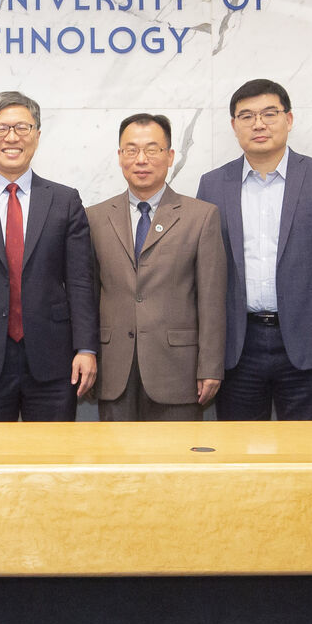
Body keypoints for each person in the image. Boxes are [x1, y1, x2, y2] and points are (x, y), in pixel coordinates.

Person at [194, 78, 312, 421]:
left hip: (309, 344)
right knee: (239, 456)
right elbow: (204, 273)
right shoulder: (212, 184)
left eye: (269, 113)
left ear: (289, 119)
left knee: (308, 456)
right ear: (233, 125)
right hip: (239, 345)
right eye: (247, 116)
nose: (258, 124)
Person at [0, 90, 97, 421]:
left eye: (22, 128)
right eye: (1, 129)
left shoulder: (65, 201)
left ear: (37, 136)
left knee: (54, 462)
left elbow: (82, 282)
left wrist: (86, 348)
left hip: (55, 361)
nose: (12, 137)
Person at [87, 113, 226, 421]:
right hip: (114, 369)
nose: (141, 159)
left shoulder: (201, 216)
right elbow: (86, 296)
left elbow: (212, 299)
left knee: (176, 464)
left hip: (178, 370)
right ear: (120, 156)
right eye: (131, 149)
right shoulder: (94, 217)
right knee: (117, 464)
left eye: (152, 149)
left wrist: (210, 366)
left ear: (170, 156)